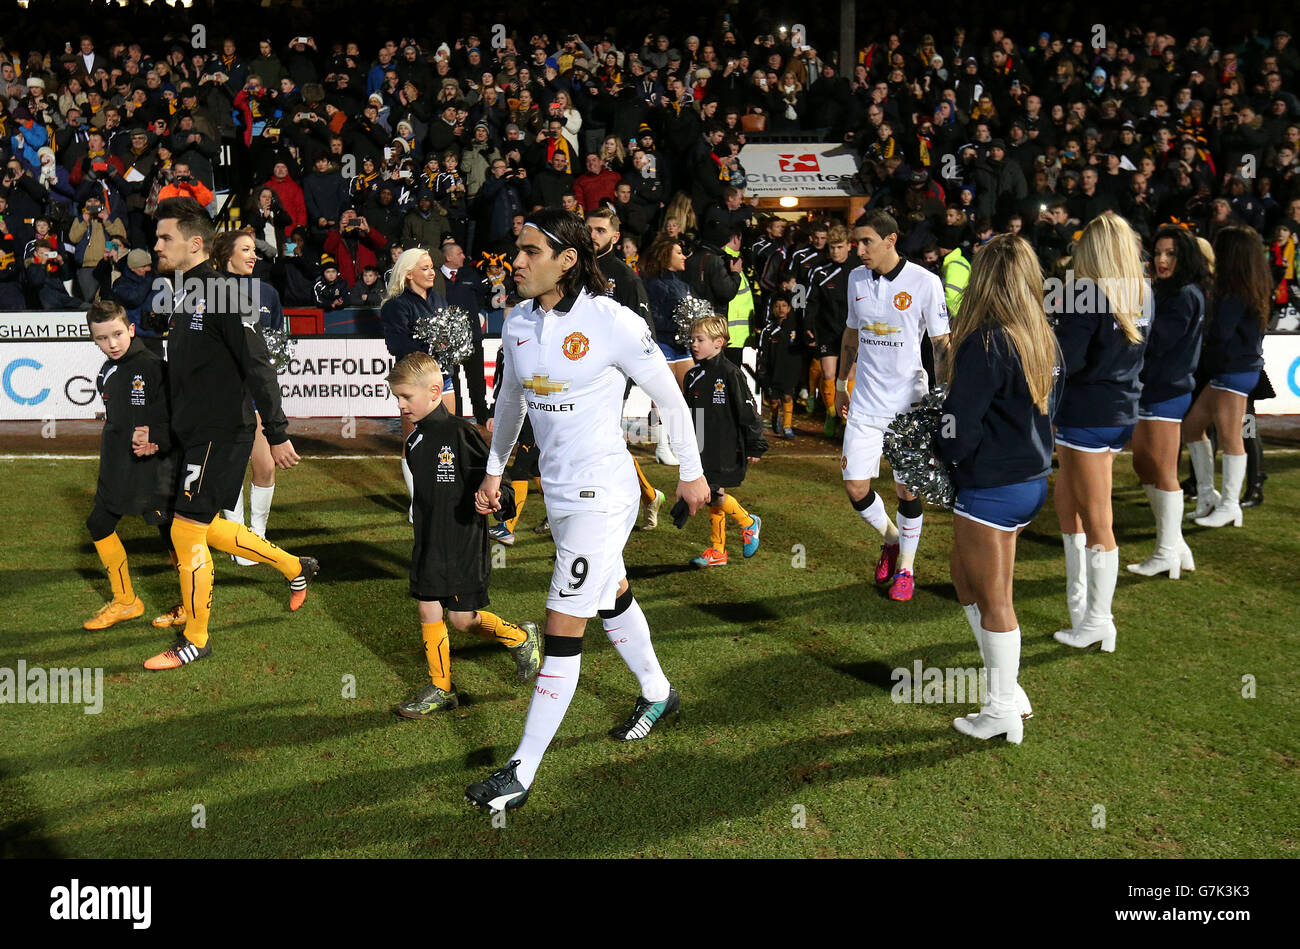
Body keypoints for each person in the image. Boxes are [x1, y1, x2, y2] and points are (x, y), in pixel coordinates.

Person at [465, 209, 710, 813]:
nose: (515, 261)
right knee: (612, 592)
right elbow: (511, 402)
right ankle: (658, 692)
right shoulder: (517, 319)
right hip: (561, 495)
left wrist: (691, 470)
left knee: (560, 624)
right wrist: (495, 469)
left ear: (567, 261)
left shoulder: (612, 321)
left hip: (605, 494)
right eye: (515, 250)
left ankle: (521, 770)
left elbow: (670, 397)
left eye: (527, 251)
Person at [143, 197, 317, 671]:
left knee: (186, 529)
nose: (157, 245)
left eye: (165, 238)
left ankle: (196, 638)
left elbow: (257, 364)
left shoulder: (226, 291)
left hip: (222, 430)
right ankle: (292, 566)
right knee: (203, 524)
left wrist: (277, 431)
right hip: (191, 430)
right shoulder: (179, 291)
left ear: (194, 243)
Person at [937, 234, 1063, 744]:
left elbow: (959, 426)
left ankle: (1000, 711)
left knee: (995, 599)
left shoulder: (986, 341)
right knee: (965, 576)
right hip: (1029, 481)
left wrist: (936, 449)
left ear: (984, 280)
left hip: (992, 485)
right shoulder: (1042, 336)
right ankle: (1008, 689)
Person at [387, 352, 541, 716]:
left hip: (462, 545)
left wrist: (496, 501)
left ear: (435, 391)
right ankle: (441, 688)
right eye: (397, 397)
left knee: (462, 619)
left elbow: (497, 484)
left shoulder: (460, 433)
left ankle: (520, 638)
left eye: (407, 396)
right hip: (428, 543)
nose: (401, 405)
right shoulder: (414, 441)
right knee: (428, 608)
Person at [835, 210, 950, 603]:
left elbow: (940, 344)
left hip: (908, 406)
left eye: (867, 242)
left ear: (891, 240)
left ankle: (907, 569)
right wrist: (840, 383)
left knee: (906, 490)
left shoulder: (925, 283)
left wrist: (944, 394)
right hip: (865, 400)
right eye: (856, 243)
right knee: (854, 486)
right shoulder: (855, 279)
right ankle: (892, 539)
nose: (860, 250)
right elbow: (852, 330)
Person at [1052, 213, 1149, 654]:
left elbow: (1068, 360)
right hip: (1118, 410)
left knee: (1097, 520)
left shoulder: (1085, 292)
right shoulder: (1143, 291)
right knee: (1073, 505)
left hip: (1086, 413)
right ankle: (1082, 609)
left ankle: (1098, 620)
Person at [81, 301, 183, 631]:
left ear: (131, 330)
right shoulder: (109, 370)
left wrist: (156, 437)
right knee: (99, 523)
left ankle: (188, 603)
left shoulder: (152, 366)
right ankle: (126, 601)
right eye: (101, 338)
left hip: (153, 468)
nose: (111, 344)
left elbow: (174, 416)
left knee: (172, 534)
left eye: (116, 335)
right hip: (118, 466)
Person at [1128, 225, 1207, 579]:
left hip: (1166, 392)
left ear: (1184, 256)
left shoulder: (1184, 295)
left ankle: (1166, 552)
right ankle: (1176, 545)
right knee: (1145, 466)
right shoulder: (1168, 291)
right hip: (1155, 390)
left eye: (1170, 254)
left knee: (1161, 470)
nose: (1161, 260)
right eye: (1158, 252)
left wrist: (1128, 323)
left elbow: (1157, 342)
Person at [1183, 227, 1272, 529]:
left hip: (1234, 371)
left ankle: (1231, 504)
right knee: (1193, 427)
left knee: (1234, 438)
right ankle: (1208, 495)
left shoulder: (1235, 290)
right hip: (1235, 370)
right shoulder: (1250, 285)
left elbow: (1221, 332)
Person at [212, 228, 288, 564]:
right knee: (230, 471)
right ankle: (237, 537)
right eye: (246, 249)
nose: (253, 255)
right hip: (224, 396)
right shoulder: (209, 290)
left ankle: (256, 534)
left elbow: (277, 339)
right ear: (227, 253)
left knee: (265, 466)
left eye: (254, 250)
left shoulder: (268, 292)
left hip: (255, 393)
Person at [586, 207, 666, 529]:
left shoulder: (625, 278)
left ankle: (597, 513)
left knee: (597, 446)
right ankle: (647, 495)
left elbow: (645, 332)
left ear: (615, 237)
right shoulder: (572, 268)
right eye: (589, 229)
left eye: (600, 231)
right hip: (574, 372)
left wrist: (627, 377)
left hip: (609, 378)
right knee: (588, 445)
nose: (592, 235)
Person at [682, 313, 767, 566]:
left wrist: (756, 444)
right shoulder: (692, 375)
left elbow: (748, 410)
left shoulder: (731, 373)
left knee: (711, 493)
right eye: (692, 339)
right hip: (703, 446)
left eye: (700, 339)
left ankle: (748, 522)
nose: (694, 344)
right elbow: (690, 413)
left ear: (719, 342)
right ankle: (718, 551)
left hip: (727, 446)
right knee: (713, 492)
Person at [380, 247, 451, 518]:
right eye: (425, 268)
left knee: (446, 439)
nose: (432, 272)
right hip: (413, 379)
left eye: (432, 266)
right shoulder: (396, 305)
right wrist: (430, 347)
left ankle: (441, 496)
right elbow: (396, 343)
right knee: (414, 439)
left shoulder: (439, 301)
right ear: (408, 274)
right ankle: (418, 503)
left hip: (444, 377)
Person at [641, 234, 695, 464]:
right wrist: (678, 325)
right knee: (662, 395)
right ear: (666, 257)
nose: (684, 256)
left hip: (681, 344)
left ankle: (684, 443)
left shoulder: (683, 284)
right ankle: (662, 447)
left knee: (690, 392)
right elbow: (652, 317)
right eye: (679, 253)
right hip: (662, 342)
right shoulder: (653, 284)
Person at [804, 225, 853, 438]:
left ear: (849, 246)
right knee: (829, 373)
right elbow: (810, 301)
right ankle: (831, 412)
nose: (835, 251)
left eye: (839, 247)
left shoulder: (859, 269)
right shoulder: (819, 270)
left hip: (852, 331)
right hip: (827, 329)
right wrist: (808, 325)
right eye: (832, 247)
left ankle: (847, 419)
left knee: (849, 374)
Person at [756, 289, 803, 438]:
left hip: (789, 371)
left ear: (789, 308)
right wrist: (762, 371)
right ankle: (775, 417)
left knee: (788, 397)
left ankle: (787, 426)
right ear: (773, 309)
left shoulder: (796, 328)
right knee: (774, 399)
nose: (781, 309)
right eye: (777, 306)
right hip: (773, 371)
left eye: (784, 305)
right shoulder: (768, 331)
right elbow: (762, 352)